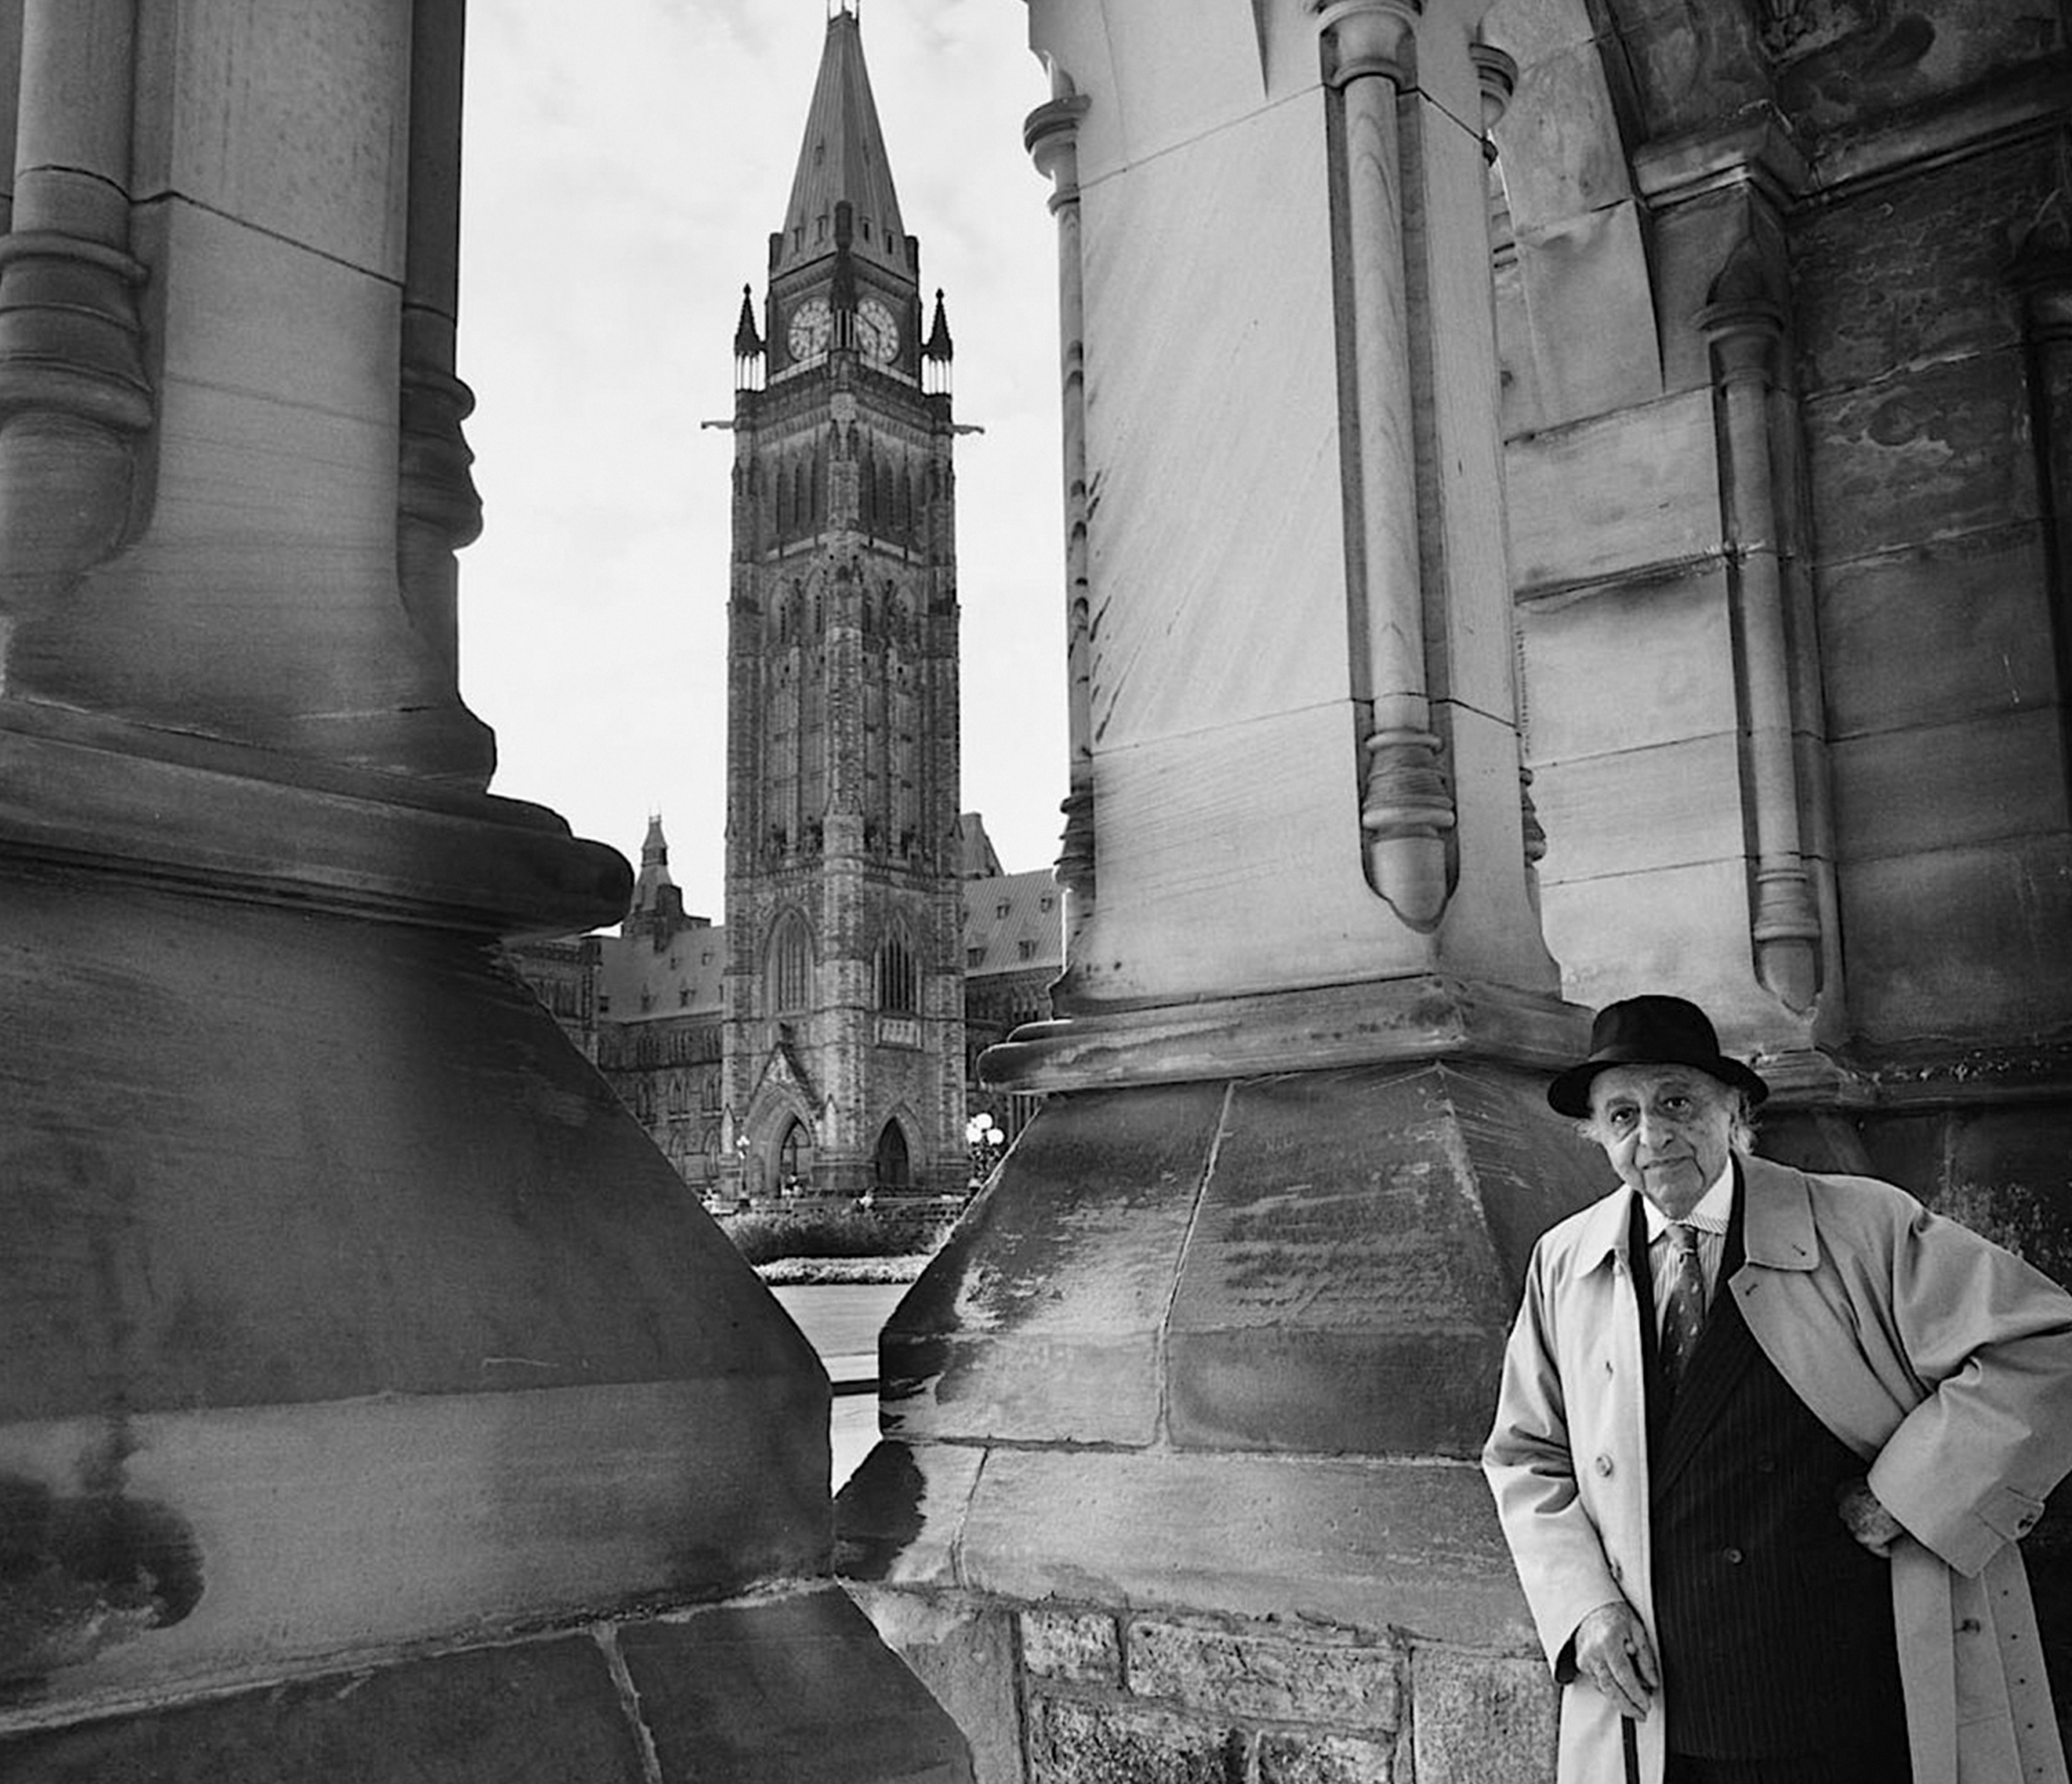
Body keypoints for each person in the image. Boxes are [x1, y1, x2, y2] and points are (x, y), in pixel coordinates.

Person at [1483, 994, 2072, 1784]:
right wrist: (1583, 1606)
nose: (1652, 1137)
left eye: (1678, 1103)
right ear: (1599, 1134)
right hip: (1665, 1701)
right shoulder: (1564, 1260)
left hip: (1847, 1689)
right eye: (1622, 1116)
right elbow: (1527, 1455)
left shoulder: (1860, 1225)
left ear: (1734, 1111)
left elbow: (2045, 1346)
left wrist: (1912, 1495)